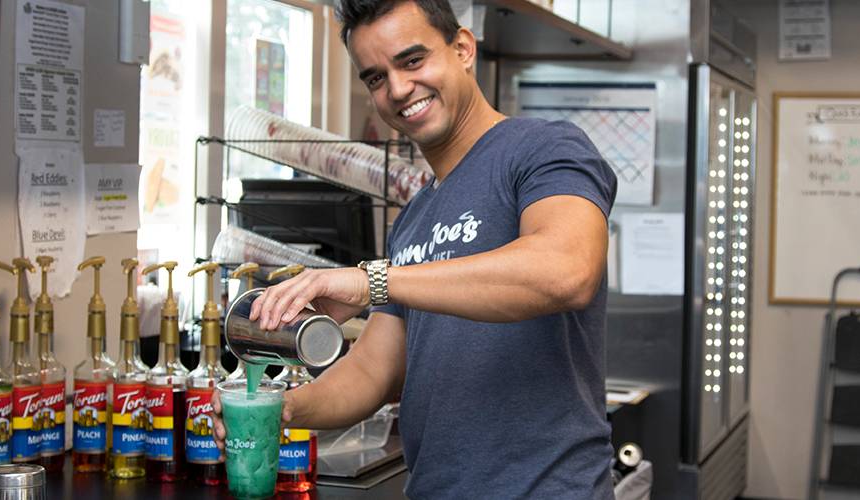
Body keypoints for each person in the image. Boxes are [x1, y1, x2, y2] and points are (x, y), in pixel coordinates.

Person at [212, 0, 618, 497]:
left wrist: (369, 281)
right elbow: (372, 370)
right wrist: (286, 408)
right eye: (376, 77)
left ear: (463, 49)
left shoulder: (545, 148)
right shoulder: (414, 220)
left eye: (412, 61)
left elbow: (565, 269)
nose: (398, 89)